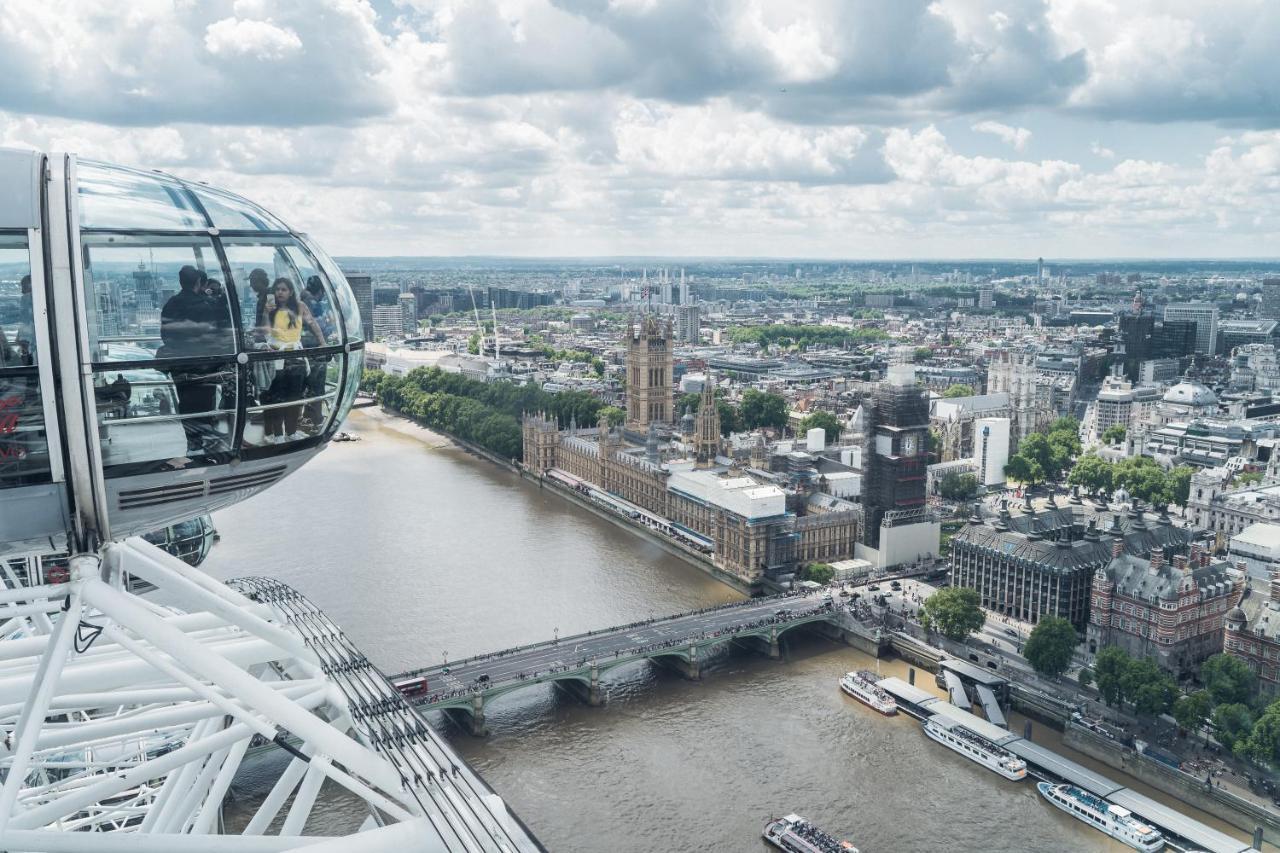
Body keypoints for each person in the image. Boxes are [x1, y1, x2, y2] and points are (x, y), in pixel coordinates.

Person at [160, 266, 228, 455]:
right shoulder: (206, 305)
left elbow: (165, 334)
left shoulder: (171, 304)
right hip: (204, 364)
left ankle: (193, 442)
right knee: (205, 401)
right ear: (198, 282)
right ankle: (203, 439)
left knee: (186, 402)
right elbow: (220, 329)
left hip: (180, 364)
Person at [260, 277, 324, 443]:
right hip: (277, 356)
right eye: (277, 289)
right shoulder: (271, 308)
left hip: (295, 356)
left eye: (283, 289)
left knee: (294, 397)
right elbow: (266, 332)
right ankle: (278, 435)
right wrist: (266, 313)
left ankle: (291, 432)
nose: (279, 292)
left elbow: (312, 323)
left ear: (291, 292)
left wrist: (322, 342)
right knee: (277, 397)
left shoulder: (300, 306)